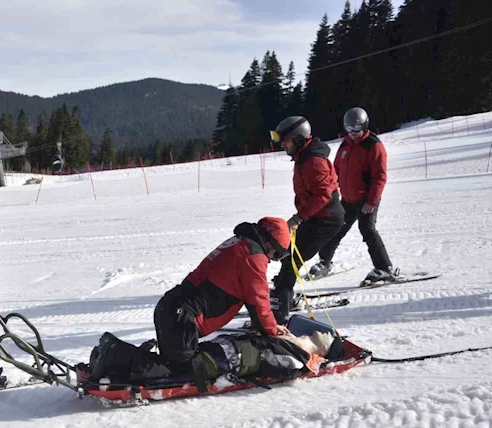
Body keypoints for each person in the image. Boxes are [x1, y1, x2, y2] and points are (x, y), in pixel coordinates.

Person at [152, 217, 293, 378]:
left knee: (169, 367)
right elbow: (258, 300)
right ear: (269, 242)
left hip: (172, 308)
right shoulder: (253, 257)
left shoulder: (238, 243)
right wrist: (272, 330)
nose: (273, 259)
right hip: (183, 319)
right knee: (184, 374)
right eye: (277, 253)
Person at [269, 116, 345, 324]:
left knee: (291, 261)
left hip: (326, 219)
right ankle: (286, 295)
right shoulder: (305, 156)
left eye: (285, 140)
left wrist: (297, 218)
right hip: (316, 217)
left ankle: (279, 317)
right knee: (288, 256)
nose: (282, 144)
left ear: (299, 139)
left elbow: (323, 195)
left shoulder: (313, 161)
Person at [307, 107, 397, 284]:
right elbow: (336, 170)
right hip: (348, 199)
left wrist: (372, 200)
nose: (353, 133)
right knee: (335, 229)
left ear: (365, 125)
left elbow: (380, 176)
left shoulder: (374, 146)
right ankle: (324, 263)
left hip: (367, 199)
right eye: (349, 129)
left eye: (357, 128)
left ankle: (384, 268)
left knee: (368, 230)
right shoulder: (345, 145)